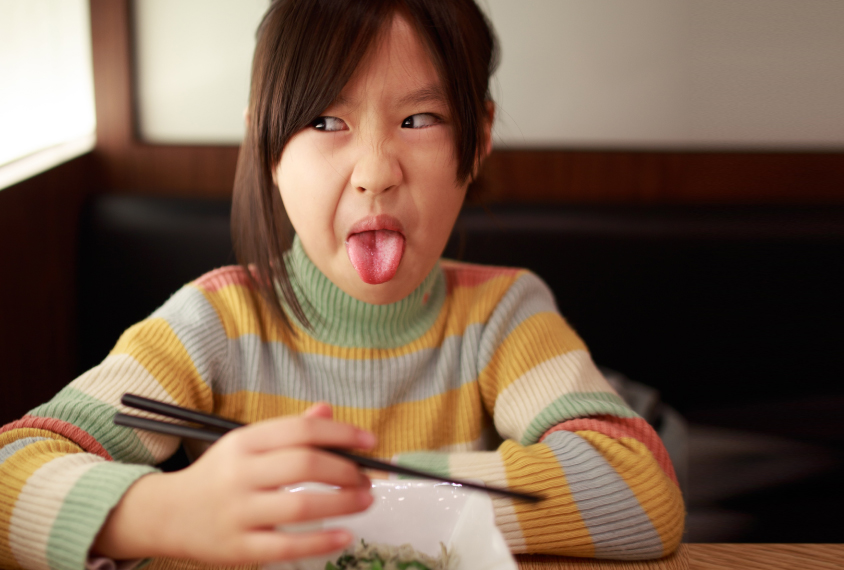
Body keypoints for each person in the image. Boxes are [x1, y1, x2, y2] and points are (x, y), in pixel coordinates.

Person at [0, 0, 685, 568]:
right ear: (266, 148)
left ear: (476, 142)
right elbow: (12, 470)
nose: (376, 171)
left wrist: (362, 492)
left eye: (419, 120)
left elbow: (638, 486)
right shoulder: (216, 321)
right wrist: (163, 511)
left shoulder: (502, 313)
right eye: (326, 121)